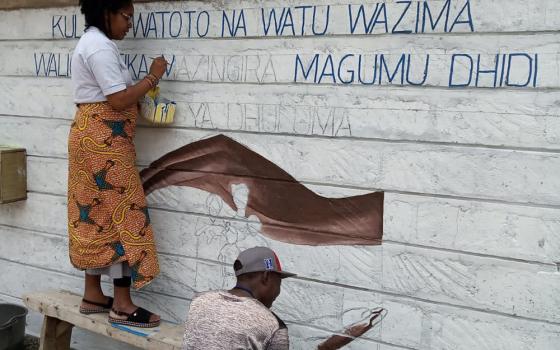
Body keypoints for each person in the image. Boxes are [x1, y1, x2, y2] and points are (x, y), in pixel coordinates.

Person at [67, 0, 167, 328]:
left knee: (95, 213)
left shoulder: (95, 44)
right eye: (126, 17)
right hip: (103, 143)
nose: (129, 25)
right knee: (125, 213)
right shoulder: (98, 47)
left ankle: (93, 294)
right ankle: (122, 305)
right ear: (106, 11)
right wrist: (152, 78)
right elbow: (118, 99)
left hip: (89, 137)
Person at [182, 247, 384, 349]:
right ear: (266, 277)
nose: (278, 292)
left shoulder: (200, 301)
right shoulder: (272, 325)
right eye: (280, 281)